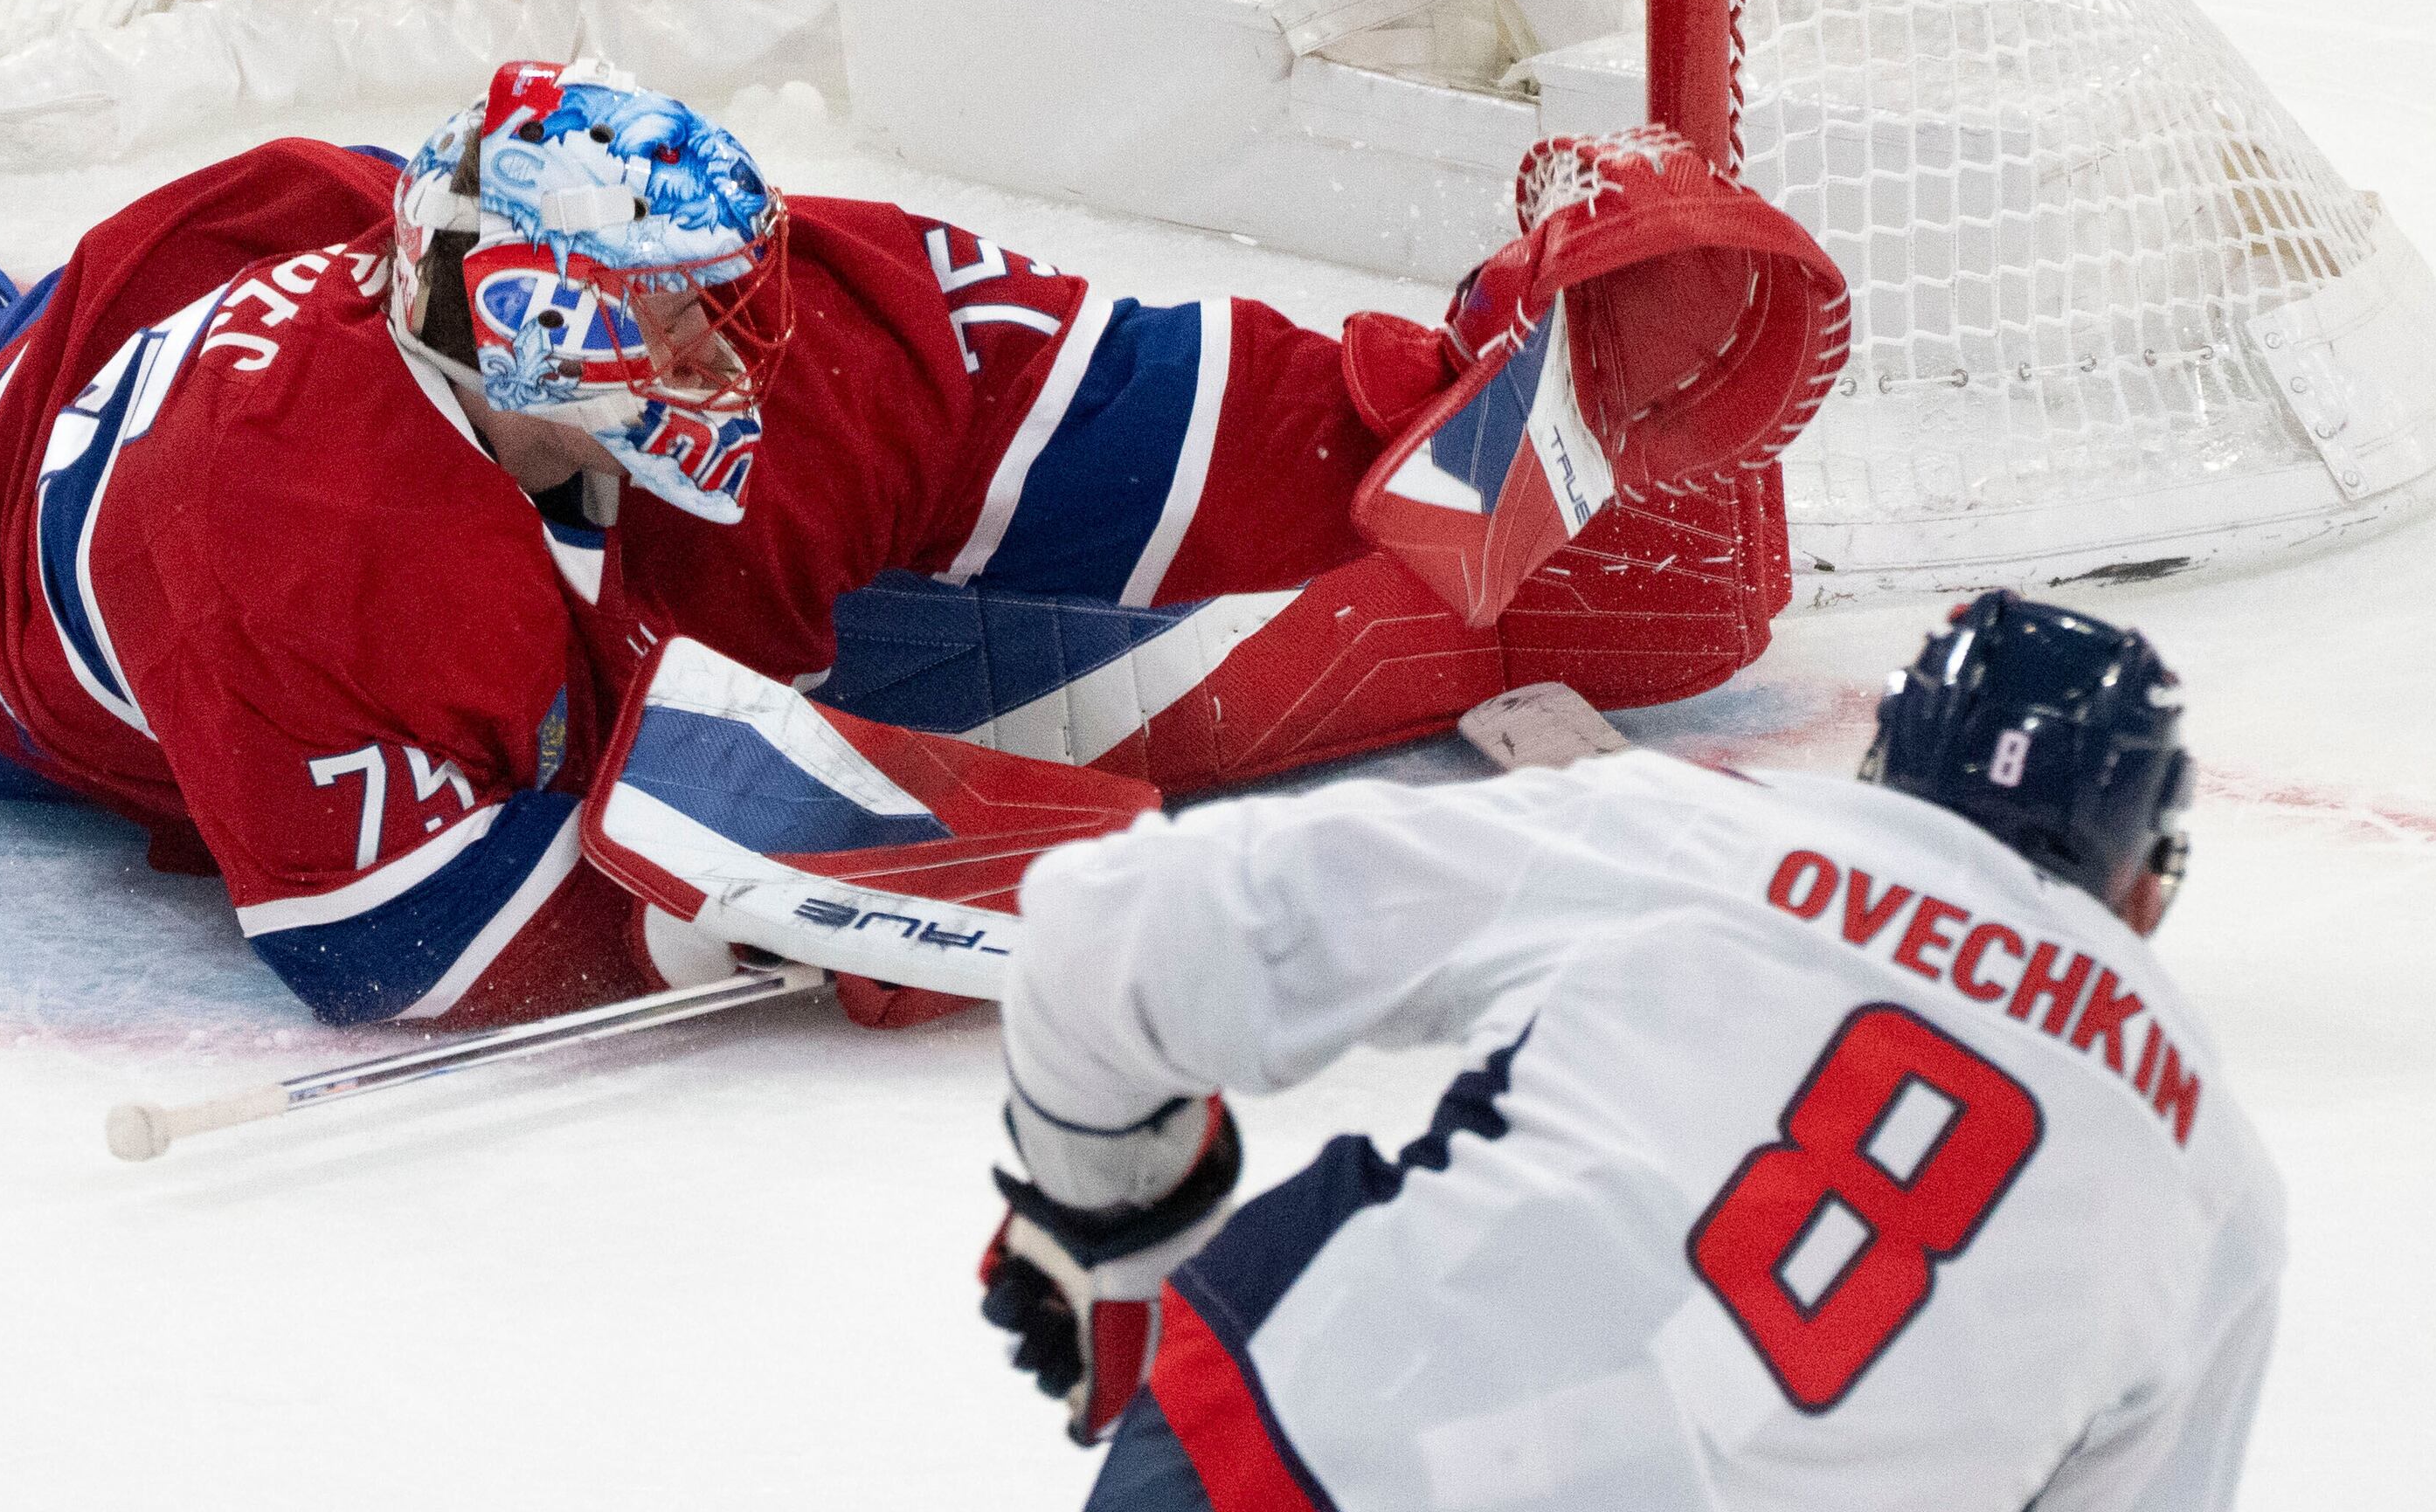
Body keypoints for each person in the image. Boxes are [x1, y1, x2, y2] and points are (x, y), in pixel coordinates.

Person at [0, 61, 1837, 1031]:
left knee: (836, 470)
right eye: (690, 307)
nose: (752, 333)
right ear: (533, 311)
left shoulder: (761, 321)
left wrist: (1444, 388)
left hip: (278, 254)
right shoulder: (290, 555)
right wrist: (822, 895)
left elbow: (1092, 394)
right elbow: (396, 949)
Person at [977, 592, 2281, 1510]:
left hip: (1315, 1458)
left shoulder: (1703, 837)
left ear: (1888, 766)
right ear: (2146, 887)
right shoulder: (2215, 1178)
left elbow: (1115, 927)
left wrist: (1121, 1228)